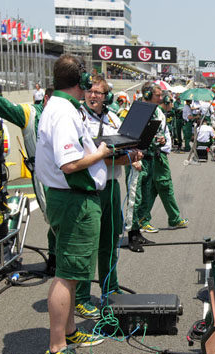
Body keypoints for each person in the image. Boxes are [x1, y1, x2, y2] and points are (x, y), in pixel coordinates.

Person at [35, 55, 111, 354]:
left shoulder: (61, 107)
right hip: (74, 199)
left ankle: (68, 332)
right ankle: (56, 349)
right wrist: (104, 153)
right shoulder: (65, 112)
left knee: (71, 269)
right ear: (80, 82)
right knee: (66, 275)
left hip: (69, 198)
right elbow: (68, 164)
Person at [75, 75, 142, 319]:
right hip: (88, 188)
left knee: (109, 242)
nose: (93, 96)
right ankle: (81, 298)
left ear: (107, 96)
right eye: (90, 91)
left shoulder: (114, 118)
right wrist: (120, 154)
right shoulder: (78, 117)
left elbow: (120, 149)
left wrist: (133, 156)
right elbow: (92, 152)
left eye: (99, 92)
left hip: (112, 186)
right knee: (87, 246)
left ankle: (110, 289)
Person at [0, 80, 57, 272]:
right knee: (54, 220)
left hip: (67, 174)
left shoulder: (68, 114)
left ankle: (55, 258)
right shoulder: (31, 112)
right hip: (43, 176)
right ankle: (56, 260)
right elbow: (2, 106)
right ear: (45, 99)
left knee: (61, 221)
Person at [133, 82, 188, 234]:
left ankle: (150, 219)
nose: (161, 98)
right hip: (145, 156)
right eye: (157, 95)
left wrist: (162, 139)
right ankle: (141, 223)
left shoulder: (158, 111)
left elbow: (161, 132)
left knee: (154, 188)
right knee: (154, 188)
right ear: (147, 95)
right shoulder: (139, 110)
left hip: (157, 153)